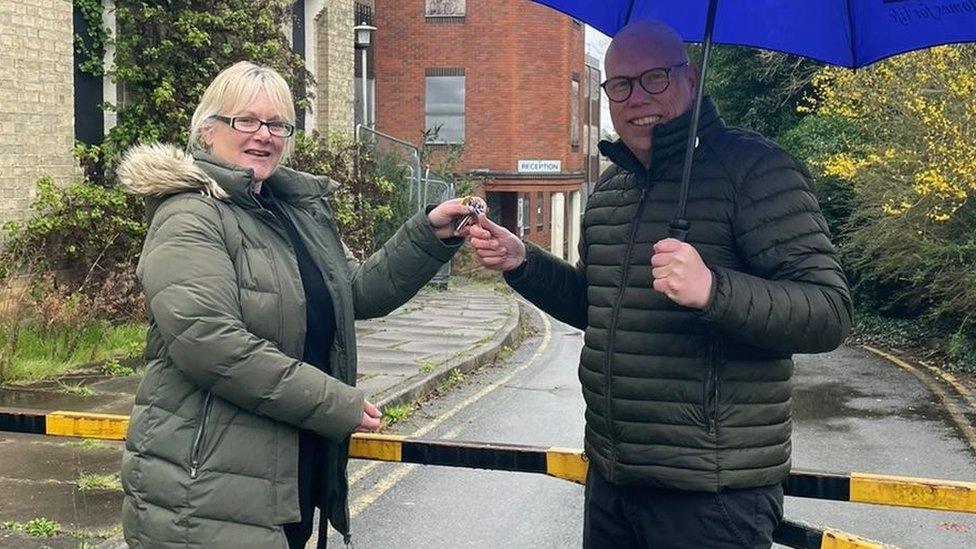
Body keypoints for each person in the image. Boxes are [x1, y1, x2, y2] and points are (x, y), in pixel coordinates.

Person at [468, 20, 852, 548]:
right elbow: (596, 305)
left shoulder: (756, 169)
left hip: (711, 494)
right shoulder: (611, 190)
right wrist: (523, 261)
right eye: (621, 85)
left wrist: (714, 290)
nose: (637, 98)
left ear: (690, 78)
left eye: (655, 78)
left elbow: (828, 311)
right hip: (613, 477)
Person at [116, 61, 473, 548]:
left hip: (289, 474)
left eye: (278, 124)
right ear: (207, 130)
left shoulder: (290, 212)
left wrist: (427, 235)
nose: (264, 135)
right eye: (246, 120)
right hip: (205, 487)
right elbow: (209, 343)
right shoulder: (189, 214)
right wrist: (336, 403)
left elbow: (355, 291)